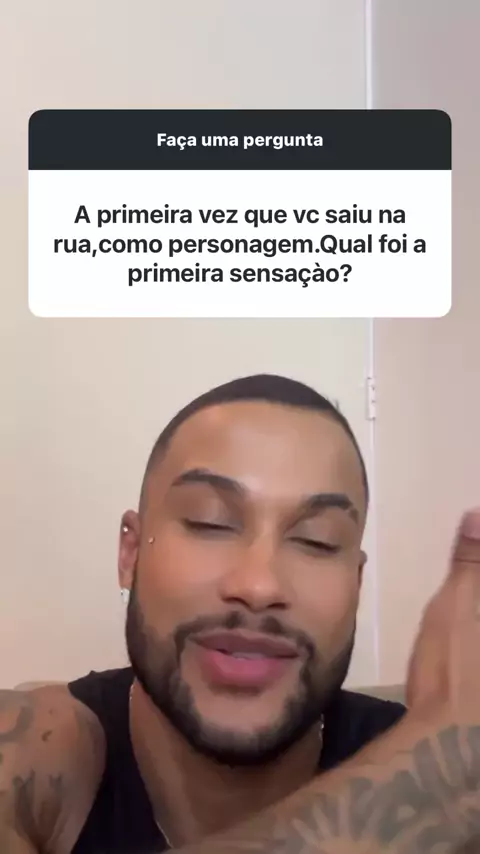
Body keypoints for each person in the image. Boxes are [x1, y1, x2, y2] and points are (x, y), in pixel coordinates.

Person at [1, 374, 479, 854]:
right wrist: (426, 787)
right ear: (131, 553)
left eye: (318, 540)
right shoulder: (33, 751)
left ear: (356, 584)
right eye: (209, 522)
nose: (258, 585)